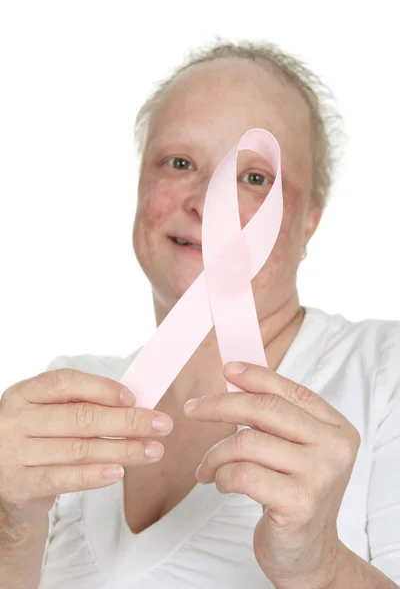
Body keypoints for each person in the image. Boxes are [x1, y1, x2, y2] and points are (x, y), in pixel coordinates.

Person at [1, 40, 399, 589]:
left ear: (309, 221)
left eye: (255, 177)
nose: (206, 203)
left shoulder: (383, 373)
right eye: (180, 163)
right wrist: (11, 527)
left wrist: (321, 568)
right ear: (142, 187)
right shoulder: (65, 399)